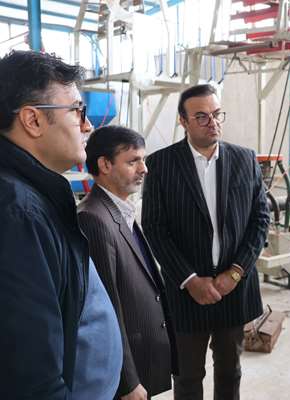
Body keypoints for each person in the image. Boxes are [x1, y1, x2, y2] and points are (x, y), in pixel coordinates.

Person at [0, 50, 122, 399]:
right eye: (78, 111)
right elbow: (31, 376)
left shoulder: (36, 197)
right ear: (33, 120)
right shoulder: (18, 213)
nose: (88, 126)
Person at [142, 84, 270, 400]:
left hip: (233, 288)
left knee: (230, 371)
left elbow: (260, 221)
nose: (212, 122)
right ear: (182, 121)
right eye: (201, 116)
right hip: (187, 292)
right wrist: (190, 279)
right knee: (187, 377)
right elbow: (155, 229)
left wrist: (236, 272)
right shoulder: (161, 165)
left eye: (216, 114)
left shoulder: (244, 159)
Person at [78, 125, 178, 400]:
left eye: (143, 160)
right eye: (133, 161)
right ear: (105, 164)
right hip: (127, 372)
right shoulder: (94, 219)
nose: (144, 169)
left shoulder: (119, 209)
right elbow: (107, 307)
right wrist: (128, 381)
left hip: (142, 356)